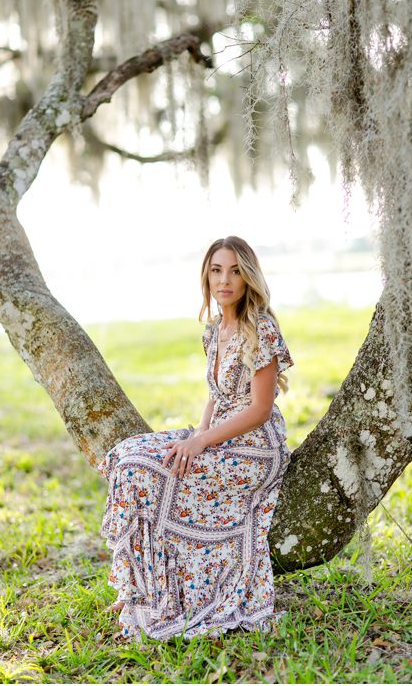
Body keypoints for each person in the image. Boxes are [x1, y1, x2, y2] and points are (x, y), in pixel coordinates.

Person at [98, 236, 294, 641]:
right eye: (217, 270)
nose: (225, 280)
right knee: (127, 456)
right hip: (219, 434)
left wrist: (202, 443)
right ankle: (141, 587)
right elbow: (215, 396)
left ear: (248, 277)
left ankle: (157, 594)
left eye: (236, 271)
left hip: (256, 446)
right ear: (207, 275)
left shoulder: (263, 328)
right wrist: (197, 435)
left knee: (146, 469)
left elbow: (258, 410)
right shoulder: (214, 331)